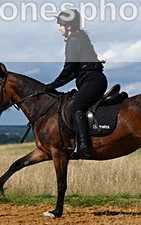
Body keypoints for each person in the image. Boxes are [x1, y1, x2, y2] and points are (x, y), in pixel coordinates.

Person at [45, 8, 107, 158]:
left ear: (69, 26)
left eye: (61, 25)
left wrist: (52, 85)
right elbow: (72, 72)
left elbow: (69, 68)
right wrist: (55, 85)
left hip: (92, 80)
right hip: (94, 79)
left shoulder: (74, 40)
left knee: (76, 108)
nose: (59, 28)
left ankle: (84, 146)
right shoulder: (79, 38)